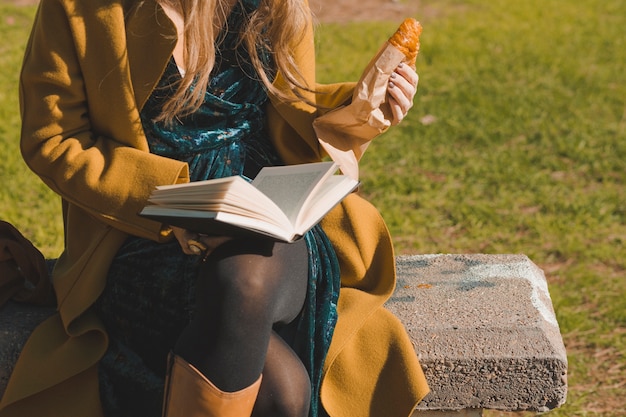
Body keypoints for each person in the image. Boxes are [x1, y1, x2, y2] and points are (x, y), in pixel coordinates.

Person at [0, 0, 429, 416]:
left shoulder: (277, 4)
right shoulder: (81, 8)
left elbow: (291, 107)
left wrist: (361, 109)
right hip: (146, 228)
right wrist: (173, 201)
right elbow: (54, 140)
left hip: (267, 215)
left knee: (247, 281)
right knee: (281, 390)